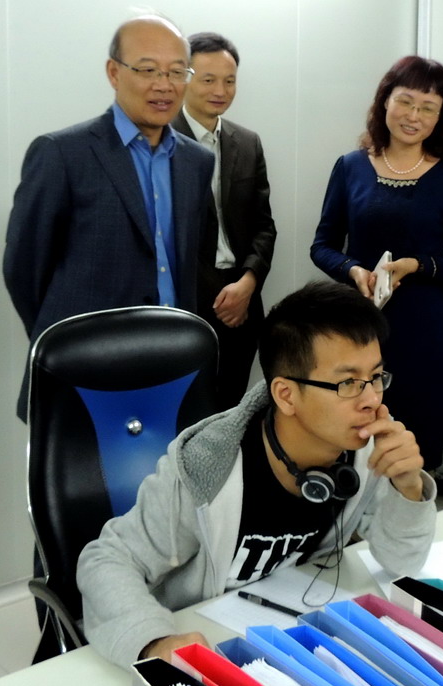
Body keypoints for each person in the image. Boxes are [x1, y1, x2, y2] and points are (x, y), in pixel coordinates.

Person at [77, 280, 437, 668]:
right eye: (348, 383)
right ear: (286, 395)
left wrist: (409, 488)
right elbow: (107, 560)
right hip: (205, 640)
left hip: (297, 638)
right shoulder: (209, 467)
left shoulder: (366, 447)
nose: (371, 399)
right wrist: (154, 641)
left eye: (376, 377)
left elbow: (402, 563)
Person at [3, 14, 214, 421]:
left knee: (167, 465)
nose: (164, 85)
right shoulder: (62, 153)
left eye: (176, 72)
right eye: (148, 70)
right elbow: (23, 268)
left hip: (172, 365)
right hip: (82, 369)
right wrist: (61, 339)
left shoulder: (197, 161)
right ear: (114, 72)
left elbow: (189, 264)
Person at [311, 56, 443, 500]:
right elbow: (322, 245)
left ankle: (409, 523)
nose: (414, 116)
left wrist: (419, 265)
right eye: (405, 101)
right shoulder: (351, 165)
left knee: (415, 442)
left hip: (425, 330)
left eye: (428, 108)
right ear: (385, 101)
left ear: (441, 116)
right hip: (360, 324)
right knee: (353, 431)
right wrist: (352, 269)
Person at [171, 32, 277, 410]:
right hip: (185, 303)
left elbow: (264, 225)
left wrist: (247, 283)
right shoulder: (159, 143)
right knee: (184, 413)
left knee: (231, 412)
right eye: (209, 79)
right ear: (184, 78)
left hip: (242, 303)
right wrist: (215, 294)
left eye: (229, 81)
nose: (221, 91)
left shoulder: (247, 143)